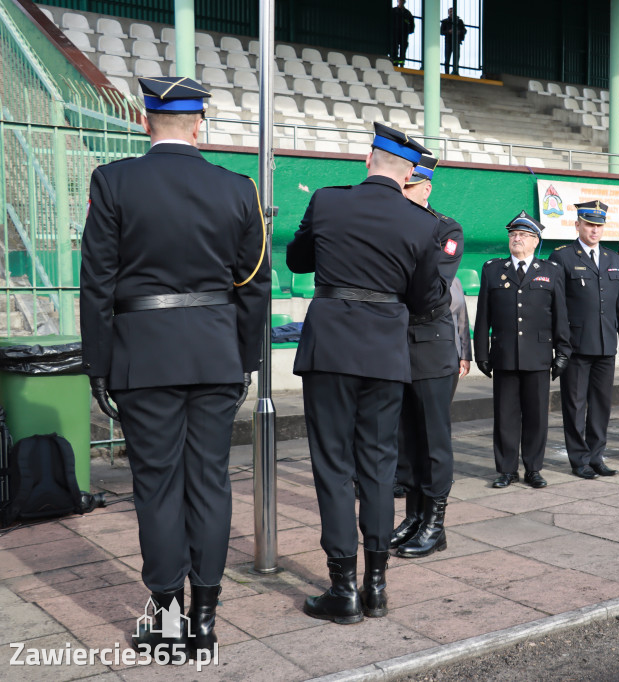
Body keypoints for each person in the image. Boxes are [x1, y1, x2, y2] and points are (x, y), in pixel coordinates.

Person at [80, 76, 270, 658]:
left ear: (145, 122)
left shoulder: (113, 181)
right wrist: (244, 360)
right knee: (209, 482)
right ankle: (206, 616)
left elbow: (97, 283)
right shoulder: (237, 189)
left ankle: (166, 616)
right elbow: (253, 285)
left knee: (157, 488)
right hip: (214, 354)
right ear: (198, 125)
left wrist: (100, 366)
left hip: (143, 356)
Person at [287, 122, 445, 625]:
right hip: (384, 352)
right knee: (379, 465)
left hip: (330, 347)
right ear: (409, 173)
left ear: (368, 159)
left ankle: (343, 589)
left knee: (334, 468)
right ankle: (376, 587)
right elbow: (426, 301)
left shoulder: (329, 201)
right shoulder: (422, 224)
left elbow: (297, 258)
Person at [390, 154, 464, 559]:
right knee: (409, 440)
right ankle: (415, 517)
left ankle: (436, 525)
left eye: (410, 185)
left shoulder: (445, 228)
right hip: (398, 345)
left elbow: (432, 291)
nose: (402, 192)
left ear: (426, 187)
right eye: (399, 184)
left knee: (434, 441)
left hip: (431, 345)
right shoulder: (392, 225)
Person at [474, 212, 571, 489]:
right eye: (513, 234)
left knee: (536, 416)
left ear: (535, 240)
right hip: (504, 354)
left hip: (538, 355)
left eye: (523, 235)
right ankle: (506, 469)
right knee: (505, 416)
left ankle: (533, 468)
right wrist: (481, 352)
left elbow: (560, 314)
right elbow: (483, 315)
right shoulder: (493, 269)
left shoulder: (550, 271)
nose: (517, 239)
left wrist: (563, 350)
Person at [549, 201, 619, 479]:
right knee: (575, 405)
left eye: (598, 226)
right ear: (578, 226)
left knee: (601, 404)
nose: (594, 230)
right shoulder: (563, 256)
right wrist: (560, 343)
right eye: (589, 225)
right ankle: (579, 460)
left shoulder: (613, 258)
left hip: (605, 343)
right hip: (575, 344)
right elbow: (557, 304)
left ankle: (597, 456)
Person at [440, 7, 466, 75]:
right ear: (448, 13)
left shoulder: (459, 21)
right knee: (447, 59)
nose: (451, 13)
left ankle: (455, 71)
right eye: (450, 11)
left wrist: (459, 32)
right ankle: (447, 73)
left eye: (452, 11)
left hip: (456, 42)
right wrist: (448, 32)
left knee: (456, 58)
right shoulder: (445, 21)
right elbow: (441, 31)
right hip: (448, 42)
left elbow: (464, 30)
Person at [390, 0, 415, 67]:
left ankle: (401, 63)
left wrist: (407, 31)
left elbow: (412, 26)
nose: (401, 2)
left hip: (404, 35)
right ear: (398, 1)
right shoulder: (393, 11)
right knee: (394, 48)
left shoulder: (408, 13)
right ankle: (394, 63)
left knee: (403, 50)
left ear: (404, 2)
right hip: (395, 34)